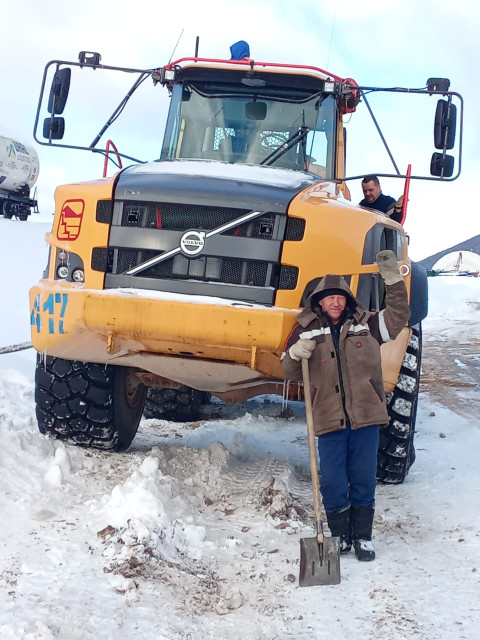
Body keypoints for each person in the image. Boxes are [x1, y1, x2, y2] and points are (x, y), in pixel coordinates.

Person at [281, 250, 410, 561]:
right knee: (333, 479)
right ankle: (339, 534)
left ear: (348, 300)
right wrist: (296, 353)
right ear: (319, 301)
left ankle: (362, 536)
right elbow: (288, 370)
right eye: (329, 298)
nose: (335, 303)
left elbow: (398, 317)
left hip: (365, 416)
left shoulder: (368, 325)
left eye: (340, 297)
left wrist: (393, 281)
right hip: (328, 417)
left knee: (363, 476)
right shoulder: (306, 329)